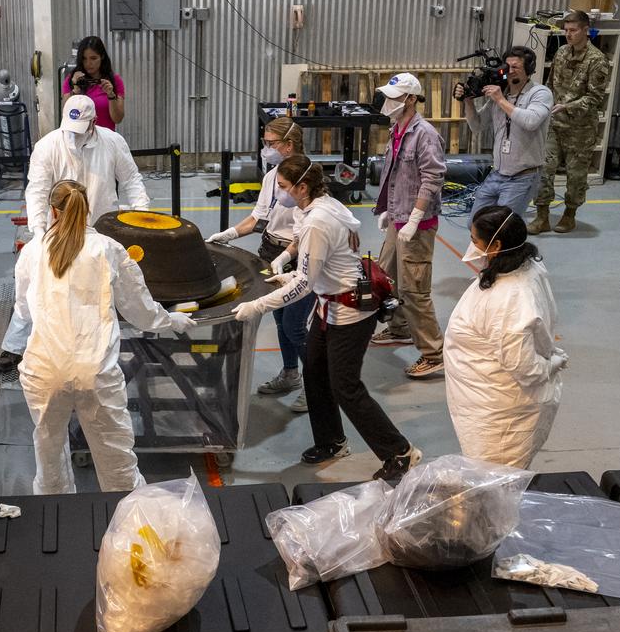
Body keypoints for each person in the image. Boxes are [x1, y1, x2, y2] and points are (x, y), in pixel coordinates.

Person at [233, 155, 423, 482]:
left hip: (350, 312)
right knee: (316, 372)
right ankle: (332, 442)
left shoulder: (317, 222)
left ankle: (400, 452)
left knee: (346, 387)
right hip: (329, 306)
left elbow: (305, 285)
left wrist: (258, 306)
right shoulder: (321, 207)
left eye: (283, 186)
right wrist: (288, 273)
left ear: (302, 187)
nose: (279, 193)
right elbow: (320, 266)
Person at [15, 180, 195, 494]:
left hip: (44, 370)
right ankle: (125, 517)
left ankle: (53, 514)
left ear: (52, 211)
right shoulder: (108, 249)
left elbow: (24, 309)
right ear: (88, 209)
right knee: (117, 459)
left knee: (48, 452)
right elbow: (140, 309)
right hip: (95, 371)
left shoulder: (33, 250)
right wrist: (171, 321)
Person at [0, 95, 151, 372]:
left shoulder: (113, 142)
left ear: (94, 122)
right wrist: (39, 233)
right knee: (37, 288)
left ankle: (102, 344)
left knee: (102, 290)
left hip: (100, 230)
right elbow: (37, 190)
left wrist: (142, 216)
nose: (74, 135)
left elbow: (131, 179)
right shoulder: (48, 146)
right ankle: (14, 345)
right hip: (59, 231)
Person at [444, 205, 568, 468]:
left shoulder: (509, 299)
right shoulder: (525, 267)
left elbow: (525, 367)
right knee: (497, 477)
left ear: (496, 245)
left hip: (499, 415)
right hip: (489, 398)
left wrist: (551, 364)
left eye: (475, 240)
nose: (471, 246)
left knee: (494, 478)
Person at [206, 117, 312, 412]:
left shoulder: (306, 178)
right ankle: (290, 373)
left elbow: (306, 231)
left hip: (296, 255)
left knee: (294, 325)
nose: (266, 148)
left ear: (288, 145)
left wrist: (286, 257)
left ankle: (316, 384)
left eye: (270, 143)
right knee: (280, 319)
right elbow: (258, 218)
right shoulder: (272, 176)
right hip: (271, 250)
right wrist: (229, 233)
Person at [369, 73, 447, 381]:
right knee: (385, 276)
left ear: (411, 99)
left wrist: (414, 219)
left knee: (414, 289)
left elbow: (432, 178)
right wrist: (388, 210)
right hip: (398, 217)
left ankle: (434, 353)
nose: (387, 102)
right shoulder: (397, 129)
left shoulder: (425, 134)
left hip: (417, 223)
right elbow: (394, 174)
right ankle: (400, 327)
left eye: (394, 97)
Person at [530, 11, 611, 234]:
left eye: (573, 30)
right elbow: (550, 84)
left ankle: (569, 214)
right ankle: (542, 216)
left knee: (576, 176)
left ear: (586, 31)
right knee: (544, 169)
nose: (568, 34)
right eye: (566, 30)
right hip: (555, 124)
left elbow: (595, 98)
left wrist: (568, 106)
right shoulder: (561, 52)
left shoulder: (597, 60)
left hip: (580, 128)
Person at [458, 46, 553, 219]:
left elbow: (530, 122)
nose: (510, 71)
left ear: (529, 69)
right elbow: (477, 126)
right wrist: (468, 100)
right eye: (507, 66)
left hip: (523, 176)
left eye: (516, 67)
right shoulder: (502, 94)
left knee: (502, 226)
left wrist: (500, 99)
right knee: (475, 222)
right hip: (498, 173)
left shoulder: (540, 93)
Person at [62, 35, 125, 130]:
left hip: (104, 137)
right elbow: (66, 114)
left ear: (102, 57)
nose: (88, 63)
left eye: (93, 58)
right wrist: (75, 91)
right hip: (79, 137)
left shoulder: (114, 80)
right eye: (84, 59)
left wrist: (111, 95)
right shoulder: (72, 80)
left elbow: (117, 119)